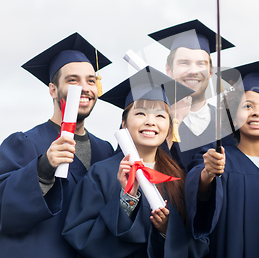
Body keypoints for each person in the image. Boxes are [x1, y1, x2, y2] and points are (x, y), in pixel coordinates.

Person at [63, 66, 209, 258]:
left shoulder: (177, 177)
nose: (150, 121)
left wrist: (167, 229)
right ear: (124, 123)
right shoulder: (102, 174)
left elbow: (200, 243)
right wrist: (127, 201)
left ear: (169, 126)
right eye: (140, 113)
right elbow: (82, 237)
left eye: (160, 115)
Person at [0, 33, 115, 257]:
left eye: (91, 80)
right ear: (52, 89)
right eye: (73, 80)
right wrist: (43, 167)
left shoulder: (105, 151)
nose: (85, 88)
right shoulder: (24, 143)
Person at [185, 59, 259, 258]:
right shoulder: (218, 158)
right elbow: (199, 195)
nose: (257, 112)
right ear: (233, 116)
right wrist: (207, 174)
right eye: (247, 105)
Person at [149, 19, 236, 170]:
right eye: (184, 63)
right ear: (168, 70)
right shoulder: (145, 116)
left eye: (201, 64)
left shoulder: (227, 124)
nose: (193, 71)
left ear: (210, 72)